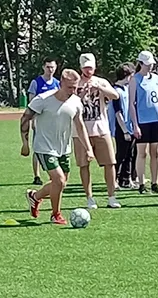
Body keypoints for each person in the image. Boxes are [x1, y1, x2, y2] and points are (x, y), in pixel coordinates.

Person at [22, 69, 93, 225]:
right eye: (69, 87)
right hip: (44, 147)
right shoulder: (43, 99)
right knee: (59, 180)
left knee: (60, 183)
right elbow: (25, 118)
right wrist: (25, 143)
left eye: (75, 88)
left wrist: (88, 148)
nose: (72, 91)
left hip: (63, 148)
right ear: (61, 84)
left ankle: (35, 196)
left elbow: (80, 126)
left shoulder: (76, 102)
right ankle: (56, 215)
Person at [74, 53, 120, 209]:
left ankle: (111, 197)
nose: (88, 71)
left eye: (90, 68)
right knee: (83, 165)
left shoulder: (101, 81)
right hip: (80, 132)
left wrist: (99, 87)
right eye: (85, 68)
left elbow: (115, 95)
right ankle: (89, 198)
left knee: (110, 163)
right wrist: (81, 94)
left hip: (101, 128)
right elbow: (69, 102)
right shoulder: (75, 83)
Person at [129, 50, 158, 194]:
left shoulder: (156, 78)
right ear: (140, 63)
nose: (150, 66)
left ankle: (155, 183)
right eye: (147, 64)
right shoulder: (135, 79)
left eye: (151, 64)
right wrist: (135, 124)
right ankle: (141, 183)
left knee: (155, 153)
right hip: (143, 120)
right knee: (142, 153)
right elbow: (132, 103)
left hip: (156, 119)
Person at [27, 58, 60, 185]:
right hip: (40, 120)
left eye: (52, 67)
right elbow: (31, 103)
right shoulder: (36, 82)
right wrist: (33, 119)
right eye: (48, 67)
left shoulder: (57, 83)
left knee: (54, 147)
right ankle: (37, 175)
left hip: (53, 121)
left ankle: (54, 174)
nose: (50, 70)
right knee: (38, 147)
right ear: (43, 67)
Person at [108, 62, 136, 189]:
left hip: (130, 126)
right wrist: (124, 130)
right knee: (121, 155)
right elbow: (118, 112)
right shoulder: (116, 91)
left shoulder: (127, 89)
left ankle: (126, 179)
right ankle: (114, 179)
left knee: (129, 154)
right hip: (121, 127)